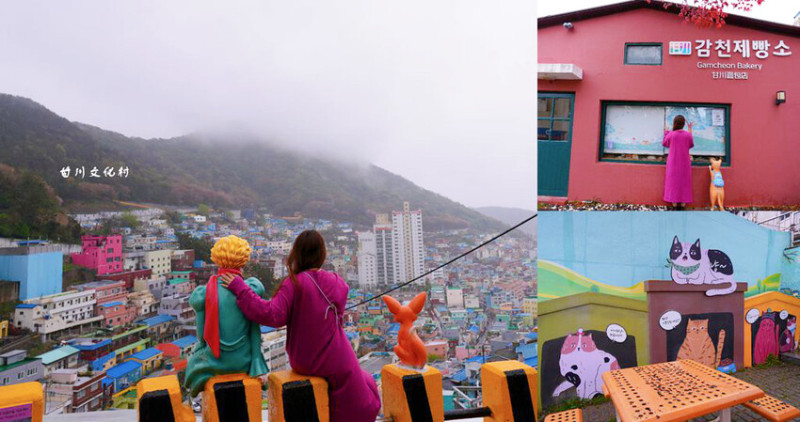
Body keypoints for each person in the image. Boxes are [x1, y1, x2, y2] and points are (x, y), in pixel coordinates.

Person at [219, 230, 381, 422]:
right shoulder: (338, 282)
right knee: (364, 387)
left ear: (297, 254)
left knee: (359, 384)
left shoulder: (295, 283)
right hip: (339, 353)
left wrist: (241, 289)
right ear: (322, 254)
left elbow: (272, 315)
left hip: (308, 359)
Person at [662, 115, 694, 209]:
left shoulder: (671, 134)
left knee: (673, 181)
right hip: (685, 163)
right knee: (685, 181)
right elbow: (690, 144)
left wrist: (666, 132)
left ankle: (674, 202)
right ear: (683, 124)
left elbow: (665, 143)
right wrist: (690, 130)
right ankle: (683, 202)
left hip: (673, 162)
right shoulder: (687, 135)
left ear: (674, 123)